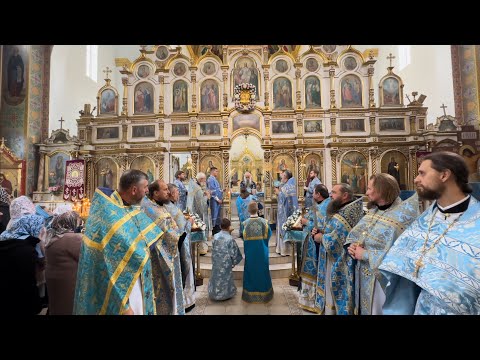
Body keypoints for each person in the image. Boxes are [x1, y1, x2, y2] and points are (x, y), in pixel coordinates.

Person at [379, 151, 480, 315]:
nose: (415, 179)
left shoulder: (476, 222)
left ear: (444, 175)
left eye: (422, 173)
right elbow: (402, 283)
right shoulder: (422, 222)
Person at [74, 169, 163, 315]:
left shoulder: (126, 207)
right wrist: (123, 305)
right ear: (134, 190)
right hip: (121, 291)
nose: (148, 191)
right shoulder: (107, 214)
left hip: (137, 282)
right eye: (145, 187)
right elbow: (106, 264)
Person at [345, 174, 419, 315]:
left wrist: (365, 254)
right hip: (365, 276)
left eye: (369, 188)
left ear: (382, 190)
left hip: (385, 283)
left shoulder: (403, 216)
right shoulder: (375, 211)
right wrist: (353, 246)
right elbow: (358, 235)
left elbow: (403, 255)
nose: (366, 192)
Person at [312, 183, 363, 314]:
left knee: (337, 294)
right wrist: (321, 231)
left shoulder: (345, 215)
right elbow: (333, 231)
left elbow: (336, 241)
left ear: (345, 195)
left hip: (340, 262)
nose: (330, 195)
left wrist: (321, 238)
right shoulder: (346, 210)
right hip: (337, 259)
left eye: (334, 193)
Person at [141, 179, 185, 315]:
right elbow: (167, 232)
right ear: (155, 193)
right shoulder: (150, 208)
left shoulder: (158, 205)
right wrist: (179, 233)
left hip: (169, 253)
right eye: (165, 190)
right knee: (163, 292)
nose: (168, 193)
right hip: (158, 260)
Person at [0, 212, 45, 314]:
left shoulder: (5, 240)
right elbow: (28, 282)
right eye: (39, 228)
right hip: (21, 303)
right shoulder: (26, 250)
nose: (41, 232)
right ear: (32, 228)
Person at [298, 184, 330, 313]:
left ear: (319, 194)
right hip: (312, 242)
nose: (312, 195)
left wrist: (306, 223)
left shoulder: (325, 207)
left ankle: (313, 300)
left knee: (316, 270)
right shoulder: (321, 205)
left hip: (317, 245)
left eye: (314, 193)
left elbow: (321, 226)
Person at [165, 183, 196, 312]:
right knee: (185, 271)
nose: (179, 194)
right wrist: (190, 222)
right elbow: (184, 228)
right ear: (172, 194)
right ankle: (187, 302)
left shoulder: (171, 206)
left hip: (179, 243)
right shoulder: (171, 208)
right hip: (180, 245)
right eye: (177, 192)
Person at [45, 210, 82, 315]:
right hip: (69, 281)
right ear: (71, 223)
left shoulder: (52, 236)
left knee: (57, 306)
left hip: (54, 280)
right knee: (68, 307)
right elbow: (87, 258)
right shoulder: (74, 238)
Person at [242, 202, 273, 303]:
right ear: (258, 210)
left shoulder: (245, 223)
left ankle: (249, 296)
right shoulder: (264, 222)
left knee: (250, 271)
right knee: (263, 271)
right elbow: (269, 235)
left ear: (248, 210)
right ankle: (265, 295)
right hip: (262, 252)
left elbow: (243, 238)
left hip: (250, 253)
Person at [208, 218, 243, 301]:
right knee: (226, 277)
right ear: (229, 227)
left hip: (216, 261)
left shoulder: (215, 236)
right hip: (226, 263)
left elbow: (213, 249)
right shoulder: (230, 238)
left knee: (216, 276)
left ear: (220, 226)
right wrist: (234, 261)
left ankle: (215, 293)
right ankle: (227, 293)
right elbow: (234, 252)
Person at [274, 170, 298, 256]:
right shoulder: (291, 185)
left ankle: (284, 250)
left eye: (283, 175)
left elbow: (282, 197)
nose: (281, 176)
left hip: (284, 212)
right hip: (291, 212)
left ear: (286, 177)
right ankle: (291, 250)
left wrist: (278, 193)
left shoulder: (286, 187)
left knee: (284, 228)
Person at [186, 172, 210, 255]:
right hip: (198, 213)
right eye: (204, 180)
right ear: (201, 179)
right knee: (200, 228)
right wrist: (207, 196)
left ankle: (197, 247)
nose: (205, 182)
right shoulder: (197, 189)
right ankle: (201, 249)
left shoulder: (192, 185)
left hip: (192, 211)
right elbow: (202, 204)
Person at [207, 167, 223, 236]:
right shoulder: (210, 180)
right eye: (216, 171)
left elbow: (216, 190)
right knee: (214, 214)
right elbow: (212, 191)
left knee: (217, 214)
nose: (217, 172)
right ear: (212, 172)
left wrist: (222, 191)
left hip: (217, 201)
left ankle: (217, 227)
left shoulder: (214, 179)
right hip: (214, 200)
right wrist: (217, 199)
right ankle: (214, 229)